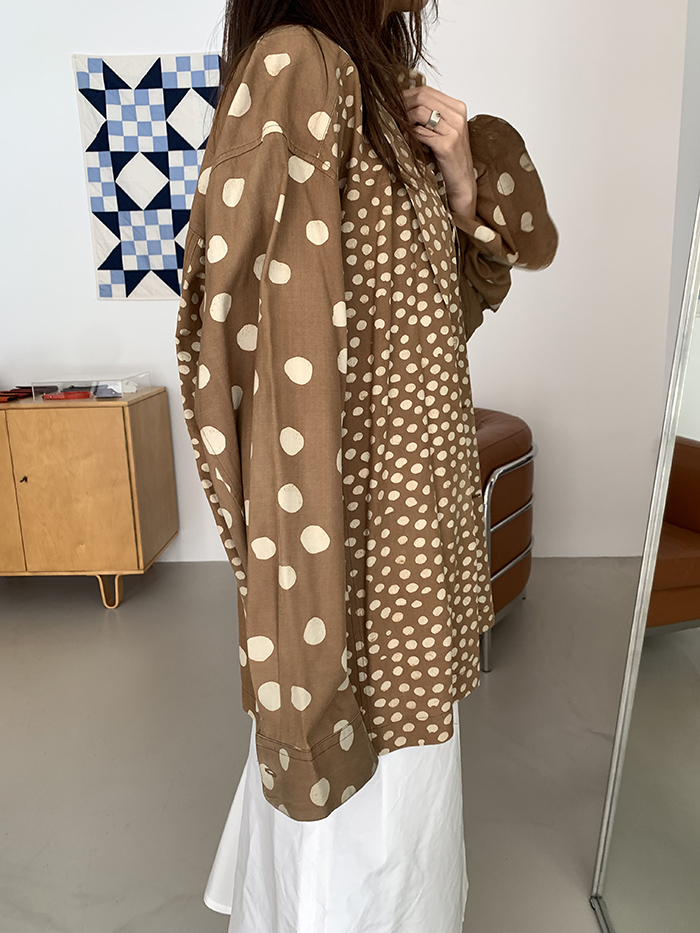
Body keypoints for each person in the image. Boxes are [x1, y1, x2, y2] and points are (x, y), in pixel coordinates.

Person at [175, 1, 558, 929]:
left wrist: (461, 188)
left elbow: (433, 325)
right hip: (359, 524)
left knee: (406, 758)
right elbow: (246, 347)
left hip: (416, 511)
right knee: (361, 758)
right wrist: (290, 558)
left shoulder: (381, 96)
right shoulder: (298, 68)